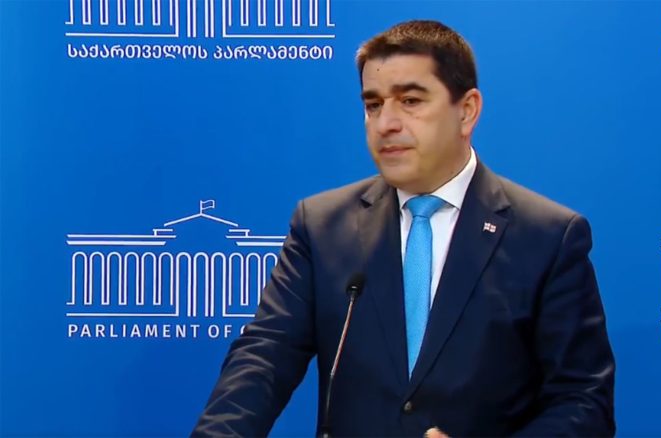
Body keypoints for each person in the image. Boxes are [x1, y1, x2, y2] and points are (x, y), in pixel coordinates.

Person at [193, 20, 615, 437]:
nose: (385, 124)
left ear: (467, 110)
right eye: (373, 105)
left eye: (410, 101)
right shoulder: (321, 226)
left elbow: (583, 402)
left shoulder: (547, 236)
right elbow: (264, 358)